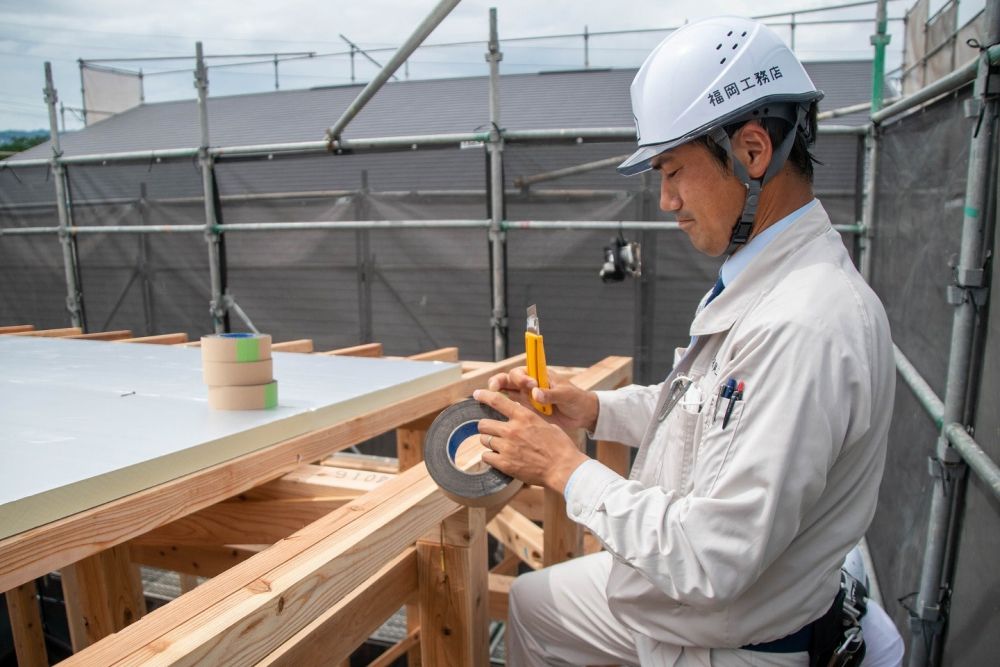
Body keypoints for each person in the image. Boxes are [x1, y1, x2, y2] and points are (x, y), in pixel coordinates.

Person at [472, 15, 896, 667]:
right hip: (694, 609)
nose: (666, 199)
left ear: (753, 151)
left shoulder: (806, 325)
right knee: (535, 605)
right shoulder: (765, 280)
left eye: (673, 170)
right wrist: (596, 410)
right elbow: (712, 409)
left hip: (734, 637)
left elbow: (711, 556)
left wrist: (562, 464)